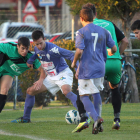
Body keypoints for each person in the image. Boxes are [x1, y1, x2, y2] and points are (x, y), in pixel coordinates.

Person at [73, 3, 128, 133]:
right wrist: (117, 54)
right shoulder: (108, 24)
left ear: (82, 17)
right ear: (95, 14)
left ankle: (86, 119)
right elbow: (124, 41)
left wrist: (75, 63)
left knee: (83, 92)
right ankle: (116, 119)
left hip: (93, 63)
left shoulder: (83, 30)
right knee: (112, 88)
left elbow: (81, 50)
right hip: (113, 63)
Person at [11, 30, 79, 123]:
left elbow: (72, 55)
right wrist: (30, 60)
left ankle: (84, 116)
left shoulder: (53, 49)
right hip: (51, 77)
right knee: (30, 91)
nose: (39, 46)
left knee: (66, 92)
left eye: (41, 43)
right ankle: (26, 118)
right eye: (36, 44)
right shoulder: (36, 48)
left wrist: (78, 69)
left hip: (62, 73)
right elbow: (36, 54)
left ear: (44, 39)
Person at [0, 37, 46, 114]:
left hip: (8, 73)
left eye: (26, 48)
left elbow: (42, 70)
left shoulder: (30, 58)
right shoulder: (9, 48)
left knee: (4, 90)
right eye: (22, 48)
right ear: (17, 46)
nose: (25, 51)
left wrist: (41, 80)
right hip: (1, 67)